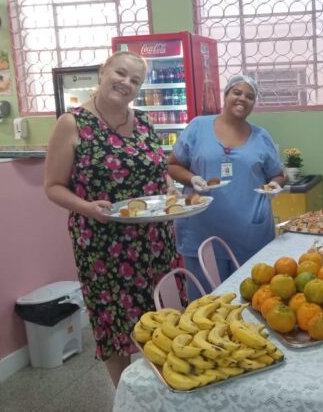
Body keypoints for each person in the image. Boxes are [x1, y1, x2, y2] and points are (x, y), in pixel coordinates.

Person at [44, 51, 178, 387]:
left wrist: (170, 188)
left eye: (135, 81)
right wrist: (87, 207)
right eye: (120, 73)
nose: (126, 83)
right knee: (115, 321)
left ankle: (163, 387)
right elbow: (53, 186)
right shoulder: (72, 123)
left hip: (155, 240)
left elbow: (159, 172)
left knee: (161, 315)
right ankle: (126, 396)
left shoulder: (145, 122)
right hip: (103, 245)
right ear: (103, 71)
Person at [167, 75, 284, 296]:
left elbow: (277, 174)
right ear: (226, 95)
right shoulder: (198, 127)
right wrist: (192, 179)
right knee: (205, 305)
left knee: (252, 304)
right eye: (237, 92)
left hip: (249, 233)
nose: (243, 99)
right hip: (201, 232)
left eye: (250, 96)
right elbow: (173, 165)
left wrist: (275, 186)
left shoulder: (261, 137)